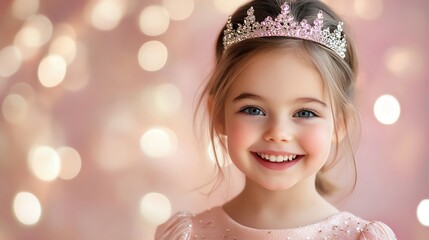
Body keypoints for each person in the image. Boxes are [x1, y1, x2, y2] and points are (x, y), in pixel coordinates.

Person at [155, 0, 396, 239]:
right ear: (218, 114)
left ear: (340, 123)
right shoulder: (188, 235)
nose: (278, 132)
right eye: (253, 110)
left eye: (305, 113)